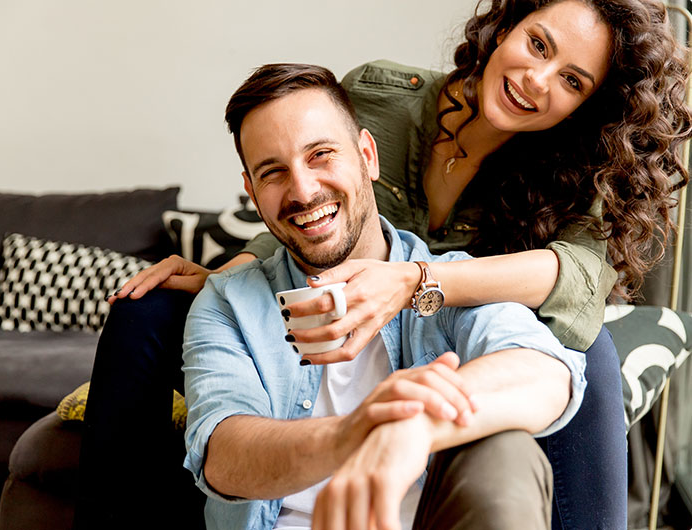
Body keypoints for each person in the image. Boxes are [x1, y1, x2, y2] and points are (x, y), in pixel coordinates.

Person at [75, 0, 691, 528]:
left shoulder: (576, 175)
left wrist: (416, 287)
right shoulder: (383, 98)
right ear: (507, 25)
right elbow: (315, 198)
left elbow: (576, 291)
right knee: (150, 307)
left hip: (449, 328)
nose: (536, 79)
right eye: (538, 44)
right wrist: (232, 283)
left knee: (590, 355)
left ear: (585, 104)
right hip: (336, 302)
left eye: (572, 81)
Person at [183, 60, 586, 530]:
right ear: (252, 194)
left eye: (321, 155)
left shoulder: (448, 283)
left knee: (506, 452)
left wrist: (409, 428)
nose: (303, 190)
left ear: (368, 156)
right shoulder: (227, 303)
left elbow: (546, 373)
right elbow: (222, 455)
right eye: (273, 172)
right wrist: (353, 432)